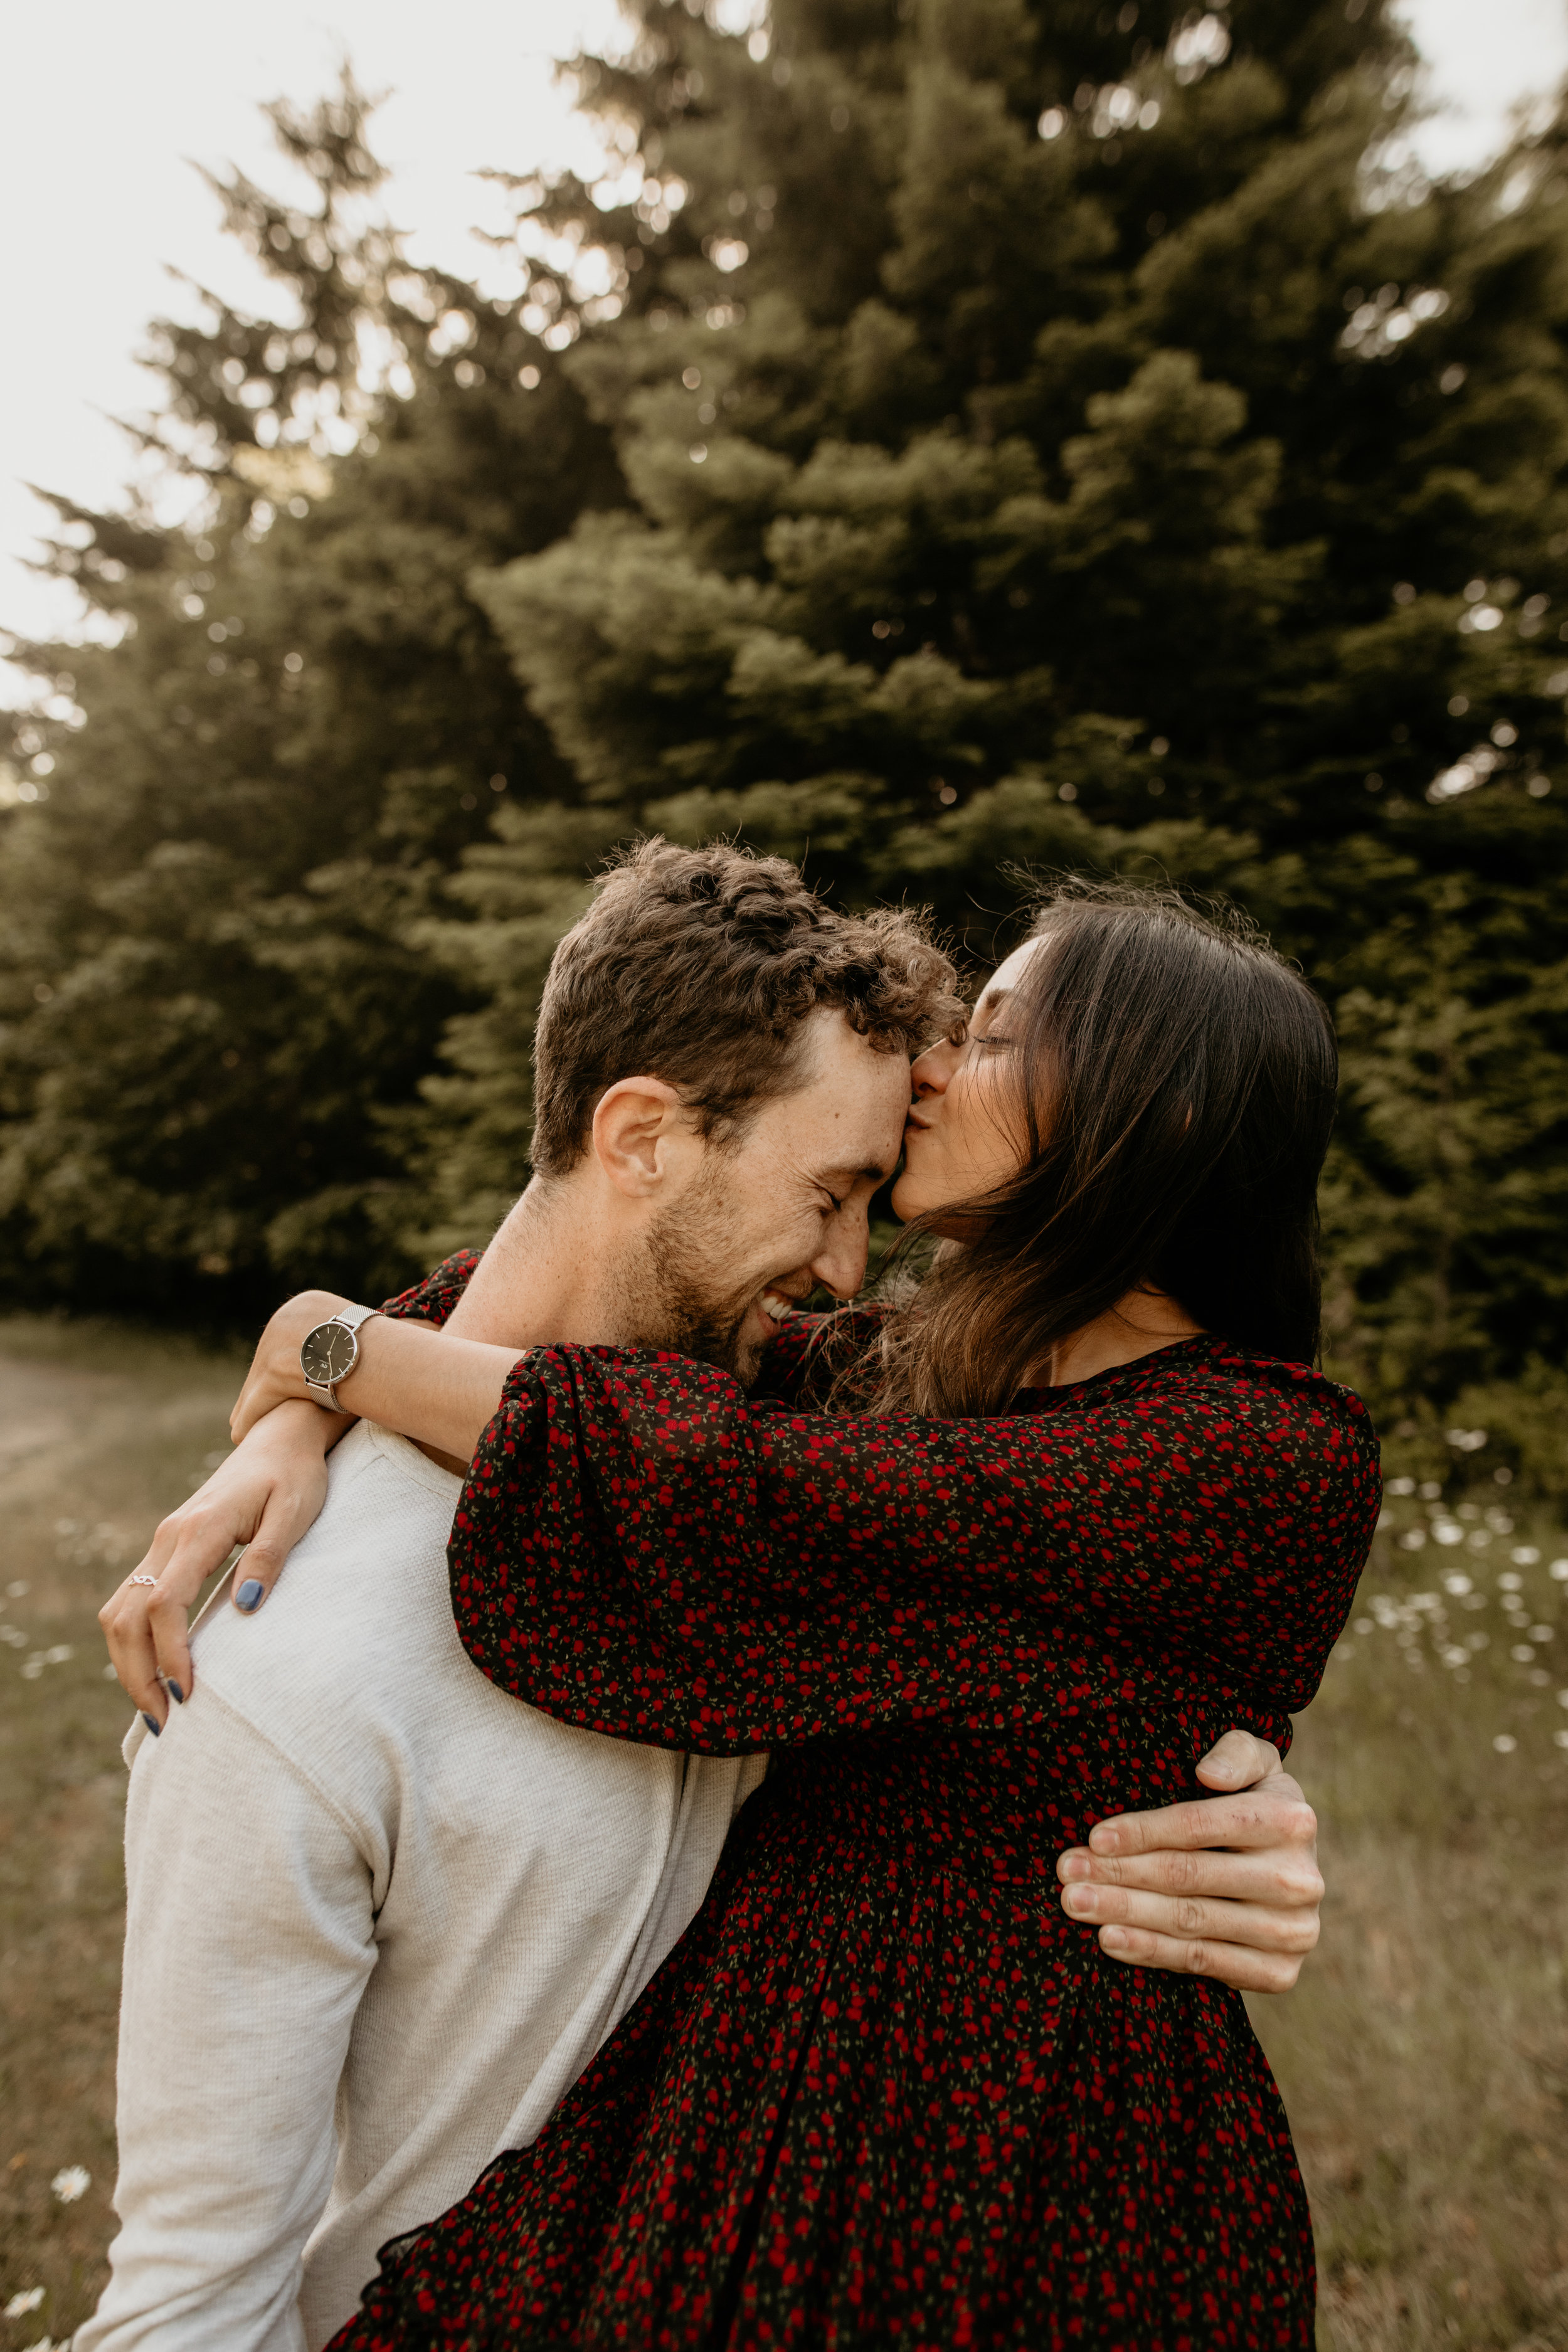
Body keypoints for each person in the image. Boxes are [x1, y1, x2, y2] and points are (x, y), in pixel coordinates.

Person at [91, 849, 1319, 2352]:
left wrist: (317, 1347)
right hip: (719, 2206)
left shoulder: (1231, 1447)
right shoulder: (904, 1392)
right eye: (831, 1189)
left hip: (1036, 2201)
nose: (939, 1071)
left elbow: (711, 1469)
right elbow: (590, 1357)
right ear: (644, 1135)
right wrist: (317, 1375)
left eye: (994, 1034)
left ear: (1156, 1110)